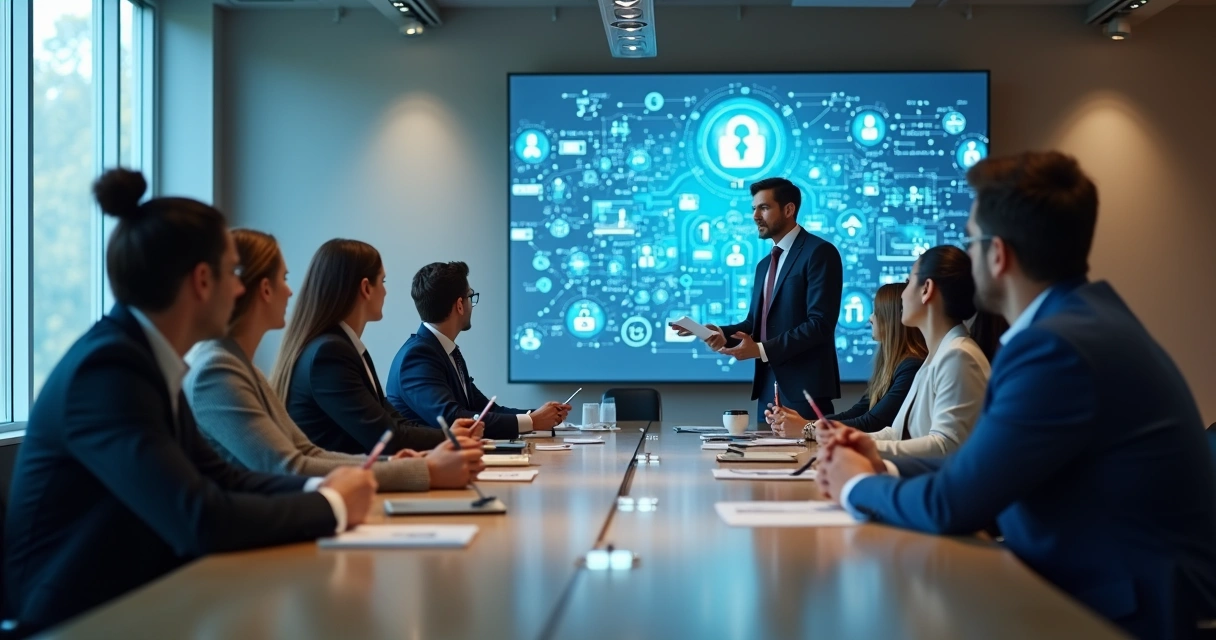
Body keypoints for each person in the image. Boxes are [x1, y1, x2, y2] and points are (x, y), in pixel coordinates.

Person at [820, 151, 1216, 638]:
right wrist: (882, 463)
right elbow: (984, 468)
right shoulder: (1078, 322)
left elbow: (954, 504)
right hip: (1097, 588)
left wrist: (856, 486)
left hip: (1117, 613)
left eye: (971, 239)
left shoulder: (1056, 346)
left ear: (999, 253)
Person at [2, 170, 377, 634]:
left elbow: (225, 479)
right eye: (232, 274)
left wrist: (322, 488)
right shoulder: (107, 372)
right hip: (79, 621)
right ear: (202, 280)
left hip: (139, 603)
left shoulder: (146, 359)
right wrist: (332, 506)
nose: (240, 290)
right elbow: (198, 517)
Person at [185, 231, 484, 491]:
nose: (290, 290)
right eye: (284, 279)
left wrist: (395, 462)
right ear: (263, 289)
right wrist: (422, 470)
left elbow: (307, 453)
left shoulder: (246, 369)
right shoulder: (218, 369)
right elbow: (290, 467)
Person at [672, 177, 843, 422]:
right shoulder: (765, 265)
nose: (755, 216)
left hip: (804, 393)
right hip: (767, 392)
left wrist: (761, 349)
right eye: (754, 208)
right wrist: (720, 332)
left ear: (788, 209)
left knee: (808, 460)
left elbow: (820, 325)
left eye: (763, 207)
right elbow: (756, 323)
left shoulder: (819, 253)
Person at [269, 239, 453, 455]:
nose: (385, 291)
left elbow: (394, 422)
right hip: (339, 483)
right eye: (382, 281)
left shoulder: (343, 346)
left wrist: (448, 435)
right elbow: (385, 437)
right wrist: (450, 437)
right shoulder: (329, 353)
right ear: (366, 287)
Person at [387, 261, 571, 440]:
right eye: (470, 297)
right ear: (460, 305)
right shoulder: (418, 357)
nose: (471, 305)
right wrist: (531, 421)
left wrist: (540, 416)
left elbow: (486, 410)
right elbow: (452, 418)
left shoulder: (446, 351)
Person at [854, 245, 992, 456]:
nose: (902, 295)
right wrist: (849, 439)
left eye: (909, 282)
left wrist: (866, 446)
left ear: (926, 289)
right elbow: (895, 433)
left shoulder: (959, 356)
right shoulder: (935, 356)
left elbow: (946, 445)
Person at [766, 282, 926, 440]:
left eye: (876, 312)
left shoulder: (911, 367)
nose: (870, 318)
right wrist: (803, 423)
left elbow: (872, 423)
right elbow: (857, 412)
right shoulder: (893, 365)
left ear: (891, 320)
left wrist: (806, 428)